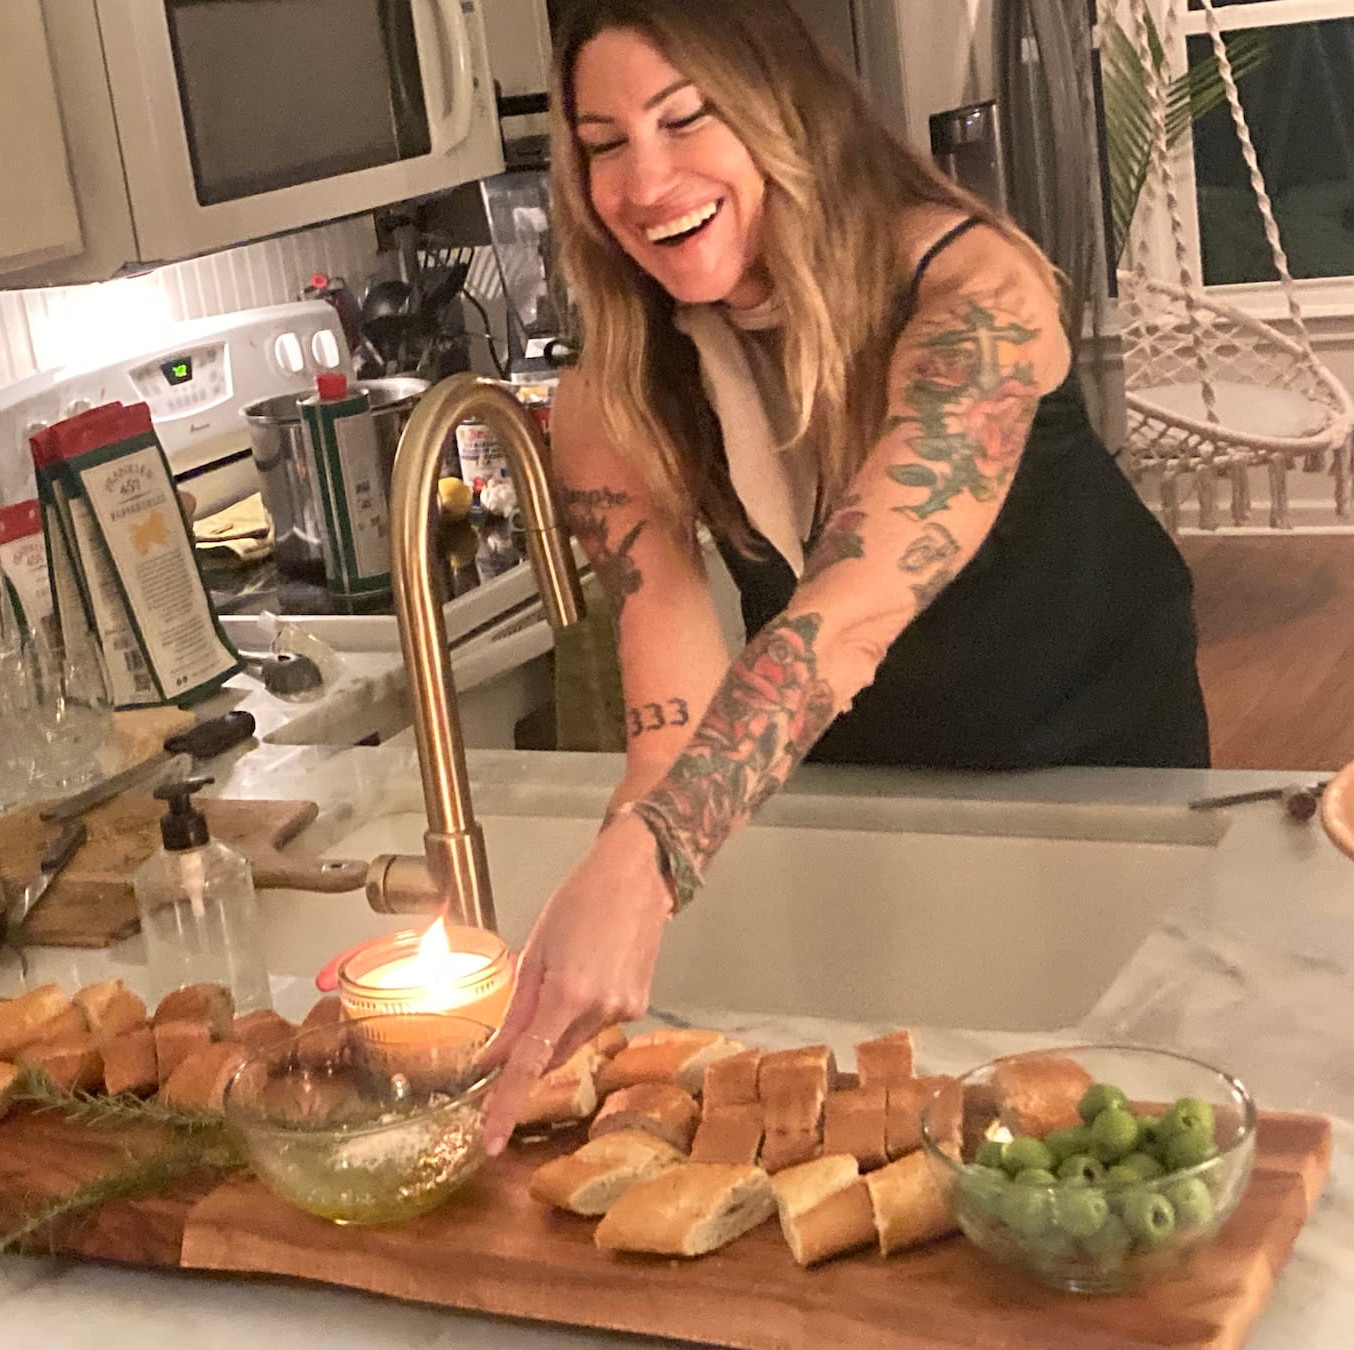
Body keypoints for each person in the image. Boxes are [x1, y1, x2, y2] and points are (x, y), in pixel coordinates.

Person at [478, 0, 1209, 1151]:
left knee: (1102, 1120)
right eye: (603, 144)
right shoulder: (617, 388)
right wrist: (620, 875)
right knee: (906, 1118)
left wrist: (650, 865)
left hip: (1094, 786)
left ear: (785, 115)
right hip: (866, 795)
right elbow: (669, 707)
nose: (646, 182)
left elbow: (852, 614)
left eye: (685, 119)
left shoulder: (975, 299)